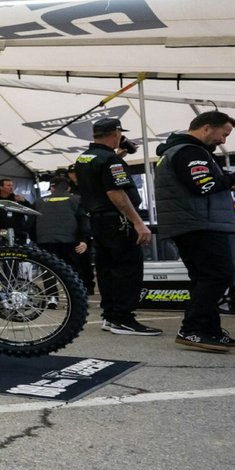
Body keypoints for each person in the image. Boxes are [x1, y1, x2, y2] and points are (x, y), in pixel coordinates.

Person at [154, 111, 235, 352]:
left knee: (204, 278)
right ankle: (193, 330)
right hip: (199, 224)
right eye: (223, 134)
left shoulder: (180, 151)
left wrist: (230, 182)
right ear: (207, 127)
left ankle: (209, 330)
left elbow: (200, 183)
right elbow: (203, 185)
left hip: (190, 223)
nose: (224, 140)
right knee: (217, 276)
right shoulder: (190, 151)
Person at [74, 117, 160, 335]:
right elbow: (115, 192)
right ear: (116, 133)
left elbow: (100, 175)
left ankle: (111, 316)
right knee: (128, 269)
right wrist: (138, 222)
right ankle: (123, 319)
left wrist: (118, 155)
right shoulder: (110, 160)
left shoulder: (84, 158)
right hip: (117, 220)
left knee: (106, 269)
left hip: (98, 220)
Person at [34, 175, 92, 292]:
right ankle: (75, 296)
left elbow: (30, 223)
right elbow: (83, 220)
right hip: (70, 241)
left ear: (52, 188)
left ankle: (52, 297)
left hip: (45, 241)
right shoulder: (77, 199)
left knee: (48, 270)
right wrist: (84, 239)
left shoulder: (39, 202)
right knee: (72, 271)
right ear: (68, 188)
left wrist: (36, 241)